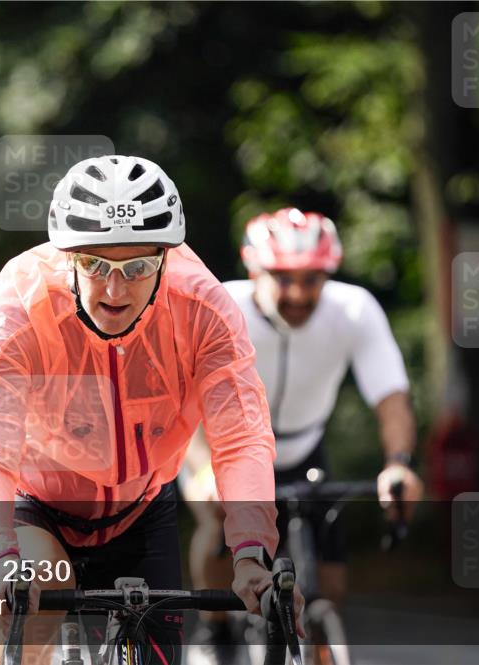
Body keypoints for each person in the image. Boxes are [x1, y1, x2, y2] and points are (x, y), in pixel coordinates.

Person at [0, 156, 303, 665]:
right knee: (38, 596)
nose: (116, 290)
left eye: (137, 267)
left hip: (140, 508)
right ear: (66, 256)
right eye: (94, 264)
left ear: (164, 257)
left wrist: (250, 552)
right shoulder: (22, 307)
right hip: (38, 503)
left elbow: (240, 437)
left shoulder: (203, 308)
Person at [179, 207, 424, 665]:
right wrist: (203, 469)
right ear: (254, 271)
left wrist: (399, 463)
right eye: (283, 278)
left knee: (330, 585)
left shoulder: (353, 309)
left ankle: (317, 636)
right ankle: (215, 632)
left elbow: (392, 396)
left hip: (305, 447)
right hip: (224, 450)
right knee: (218, 523)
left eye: (312, 279)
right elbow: (185, 402)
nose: (298, 292)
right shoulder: (220, 306)